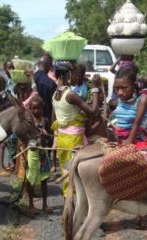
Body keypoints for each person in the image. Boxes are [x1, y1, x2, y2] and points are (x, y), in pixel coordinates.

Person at [51, 61, 101, 197]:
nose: (75, 77)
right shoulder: (70, 95)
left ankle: (70, 211)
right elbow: (94, 111)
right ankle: (72, 212)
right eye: (72, 74)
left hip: (62, 140)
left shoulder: (55, 95)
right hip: (74, 142)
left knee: (67, 175)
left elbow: (54, 120)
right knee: (74, 178)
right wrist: (96, 88)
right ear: (67, 75)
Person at [112, 66, 147, 158]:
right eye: (117, 88)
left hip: (137, 139)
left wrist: (128, 143)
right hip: (118, 138)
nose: (120, 92)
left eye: (124, 88)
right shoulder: (120, 100)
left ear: (134, 85)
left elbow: (136, 124)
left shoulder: (142, 99)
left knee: (141, 162)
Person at [24, 96, 53, 214]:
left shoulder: (45, 121)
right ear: (30, 109)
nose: (36, 111)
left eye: (39, 108)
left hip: (43, 152)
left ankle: (45, 205)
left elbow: (52, 136)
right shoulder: (28, 122)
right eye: (34, 108)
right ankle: (31, 205)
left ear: (42, 108)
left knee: (44, 179)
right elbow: (23, 138)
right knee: (30, 179)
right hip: (32, 153)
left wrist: (46, 136)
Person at [34, 56, 57, 122]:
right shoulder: (51, 83)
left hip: (31, 122)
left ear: (38, 65)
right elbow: (55, 105)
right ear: (49, 66)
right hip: (47, 120)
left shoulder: (30, 79)